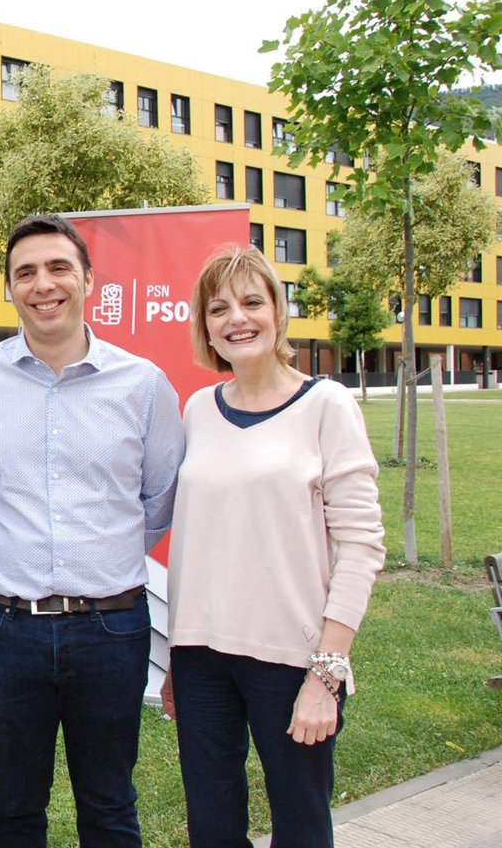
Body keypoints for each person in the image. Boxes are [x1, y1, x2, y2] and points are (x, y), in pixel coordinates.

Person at [0, 214, 185, 848]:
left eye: (58, 268)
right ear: (9, 288)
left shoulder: (142, 384)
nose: (43, 284)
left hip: (112, 628)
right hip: (7, 628)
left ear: (87, 280)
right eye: (26, 272)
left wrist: (100, 558)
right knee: (14, 805)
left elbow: (159, 500)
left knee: (109, 805)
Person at [162, 245, 385, 847]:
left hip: (294, 661)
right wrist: (178, 660)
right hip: (202, 658)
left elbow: (362, 546)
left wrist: (327, 674)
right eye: (219, 308)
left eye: (252, 301)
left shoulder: (327, 405)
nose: (237, 318)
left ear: (278, 312)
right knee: (211, 827)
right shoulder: (198, 410)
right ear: (205, 326)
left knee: (302, 827)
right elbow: (197, 539)